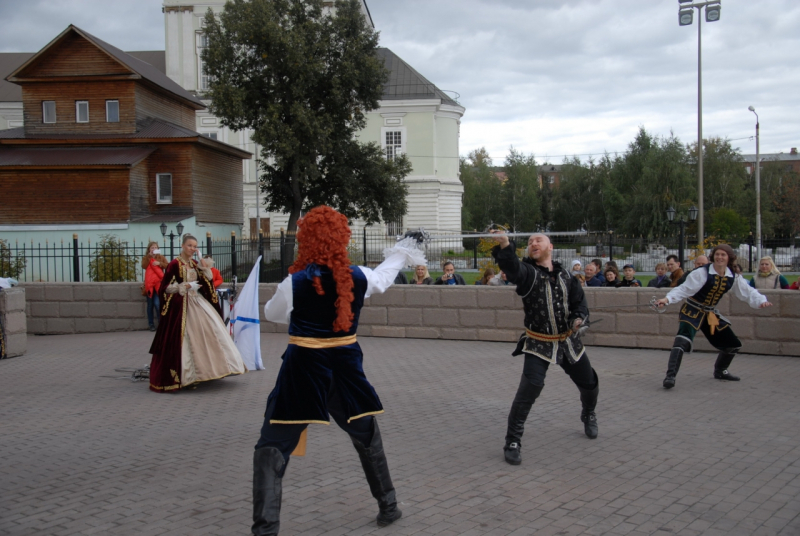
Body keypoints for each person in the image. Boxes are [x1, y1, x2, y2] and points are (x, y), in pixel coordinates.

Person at [253, 206, 425, 535]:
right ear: (341, 239)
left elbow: (272, 314)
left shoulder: (294, 283)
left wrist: (300, 314)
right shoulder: (358, 276)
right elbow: (383, 278)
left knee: (271, 448)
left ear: (305, 240)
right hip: (344, 372)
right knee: (367, 434)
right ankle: (388, 506)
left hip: (302, 372)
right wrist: (402, 251)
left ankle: (265, 531)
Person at [491, 231, 599, 466]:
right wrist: (505, 244)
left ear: (550, 246)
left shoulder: (568, 276)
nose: (533, 243)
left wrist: (578, 320)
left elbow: (580, 305)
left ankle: (588, 412)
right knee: (530, 389)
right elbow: (512, 268)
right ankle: (512, 441)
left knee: (589, 382)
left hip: (568, 341)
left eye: (538, 240)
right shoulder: (528, 273)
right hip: (538, 342)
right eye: (530, 242)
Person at [655, 244, 772, 389]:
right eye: (717, 254)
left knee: (732, 344)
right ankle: (670, 376)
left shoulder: (733, 276)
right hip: (692, 310)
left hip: (710, 314)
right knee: (681, 342)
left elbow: (747, 291)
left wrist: (761, 301)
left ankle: (720, 371)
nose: (719, 257)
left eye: (723, 255)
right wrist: (666, 299)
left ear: (729, 258)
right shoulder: (702, 273)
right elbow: (683, 289)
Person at [148, 234, 246, 393]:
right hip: (181, 306)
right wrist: (185, 286)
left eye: (195, 246)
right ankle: (188, 377)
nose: (192, 249)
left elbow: (208, 280)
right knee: (186, 340)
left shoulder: (194, 263)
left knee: (208, 335)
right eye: (189, 245)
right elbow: (165, 288)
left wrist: (203, 265)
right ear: (182, 245)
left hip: (198, 302)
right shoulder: (174, 264)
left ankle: (206, 372)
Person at [142, 242, 168, 331]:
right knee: (150, 305)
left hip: (158, 284)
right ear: (149, 249)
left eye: (155, 247)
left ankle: (161, 323)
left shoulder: (161, 257)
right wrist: (149, 257)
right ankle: (151, 324)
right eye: (152, 247)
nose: (154, 249)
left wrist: (159, 263)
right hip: (149, 284)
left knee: (157, 303)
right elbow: (144, 266)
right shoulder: (146, 257)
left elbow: (168, 266)